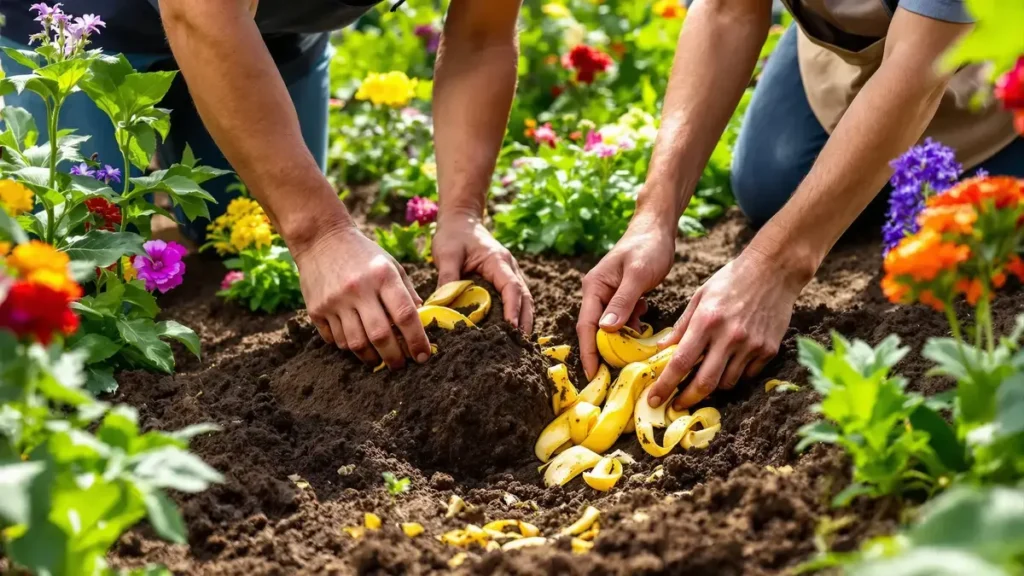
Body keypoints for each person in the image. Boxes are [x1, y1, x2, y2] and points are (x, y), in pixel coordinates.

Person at [0, 0, 534, 370]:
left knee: (241, 245)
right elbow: (194, 11)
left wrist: (463, 212)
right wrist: (320, 233)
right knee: (80, 273)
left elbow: (481, 38)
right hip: (82, 22)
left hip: (269, 29)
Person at [577, 0, 1023, 412]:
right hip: (856, 37)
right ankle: (871, 161)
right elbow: (726, 10)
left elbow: (919, 70)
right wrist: (654, 216)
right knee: (770, 186)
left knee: (981, 234)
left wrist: (775, 266)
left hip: (986, 62)